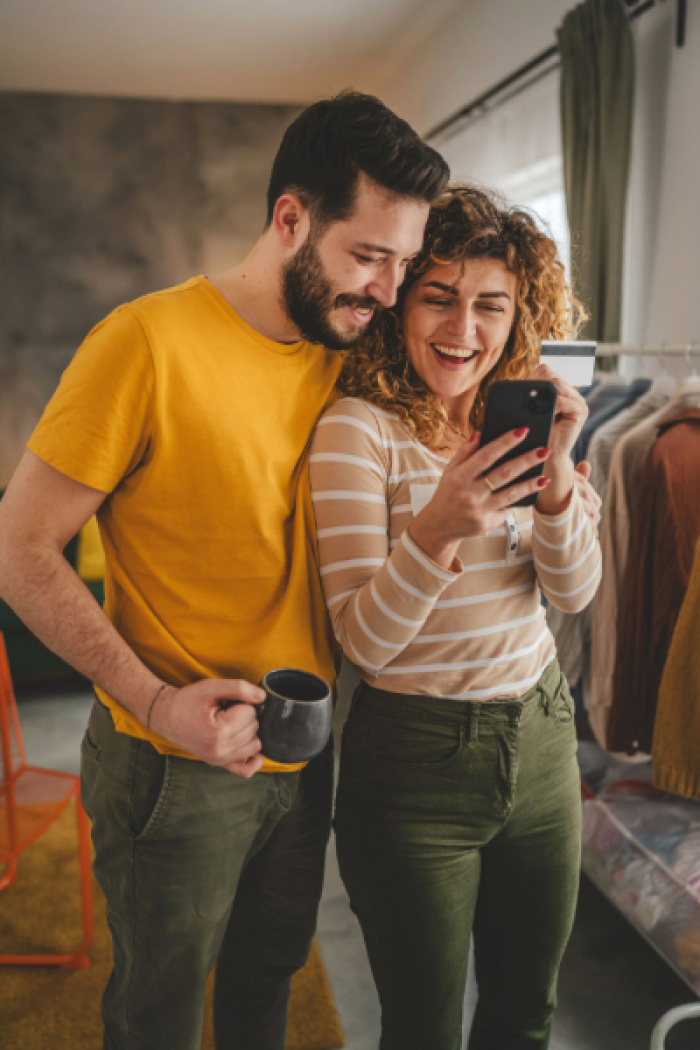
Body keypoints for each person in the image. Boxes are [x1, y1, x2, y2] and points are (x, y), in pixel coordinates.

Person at [0, 92, 449, 1050]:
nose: (384, 289)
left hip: (305, 746)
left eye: (402, 264)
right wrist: (159, 704)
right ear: (291, 218)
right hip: (171, 764)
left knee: (267, 985)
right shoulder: (144, 342)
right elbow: (18, 547)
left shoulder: (353, 355)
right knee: (159, 1013)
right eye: (368, 255)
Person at [309, 184, 602, 1050]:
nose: (462, 330)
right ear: (400, 299)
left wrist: (555, 481)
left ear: (519, 316)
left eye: (490, 306)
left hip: (543, 741)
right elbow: (363, 640)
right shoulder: (355, 432)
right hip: (413, 766)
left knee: (524, 1014)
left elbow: (575, 593)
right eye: (439, 296)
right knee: (425, 1027)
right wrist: (439, 526)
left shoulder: (522, 424)